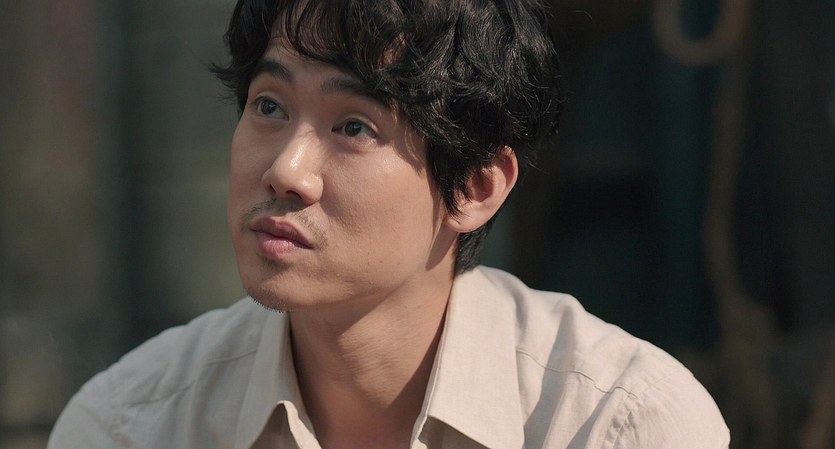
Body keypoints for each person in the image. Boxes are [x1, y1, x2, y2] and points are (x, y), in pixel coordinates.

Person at [48, 0, 730, 448]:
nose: (286, 170)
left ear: (475, 186)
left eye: (353, 126)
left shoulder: (614, 424)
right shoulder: (131, 426)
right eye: (269, 106)